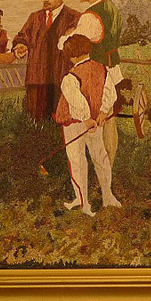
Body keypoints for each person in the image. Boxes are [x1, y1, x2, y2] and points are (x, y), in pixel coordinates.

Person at [59, 0, 123, 165]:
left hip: (96, 73)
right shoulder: (110, 7)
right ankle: (108, 165)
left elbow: (70, 44)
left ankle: (103, 165)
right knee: (109, 119)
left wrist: (65, 36)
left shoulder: (89, 17)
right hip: (113, 68)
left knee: (98, 122)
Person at [54, 34, 121, 216]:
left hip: (75, 123)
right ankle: (107, 196)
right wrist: (102, 112)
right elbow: (110, 93)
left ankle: (84, 203)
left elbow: (76, 101)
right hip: (95, 122)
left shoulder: (71, 77)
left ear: (71, 56)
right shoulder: (102, 69)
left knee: (77, 160)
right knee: (100, 156)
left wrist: (86, 118)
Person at [12, 0, 80, 120]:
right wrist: (20, 45)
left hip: (61, 74)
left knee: (61, 116)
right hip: (37, 76)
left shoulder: (74, 17)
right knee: (35, 117)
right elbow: (22, 36)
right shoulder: (34, 17)